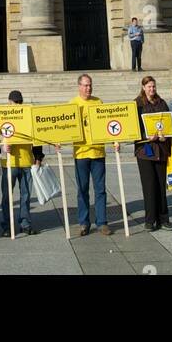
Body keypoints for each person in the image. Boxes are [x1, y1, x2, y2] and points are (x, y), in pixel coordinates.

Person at [66, 74, 111, 236]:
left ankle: (102, 222)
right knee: (82, 190)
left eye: (90, 85)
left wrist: (114, 140)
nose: (88, 88)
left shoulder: (98, 102)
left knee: (100, 190)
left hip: (97, 151)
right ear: (79, 86)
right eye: (85, 85)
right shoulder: (73, 104)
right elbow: (65, 126)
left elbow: (106, 123)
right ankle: (84, 223)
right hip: (81, 153)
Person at [0, 90, 43, 237]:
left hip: (25, 161)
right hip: (8, 162)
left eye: (19, 102)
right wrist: (2, 147)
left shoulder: (27, 116)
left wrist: (38, 157)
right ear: (9, 102)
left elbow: (36, 137)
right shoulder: (1, 117)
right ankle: (7, 226)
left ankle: (25, 224)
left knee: (25, 195)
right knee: (7, 197)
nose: (17, 105)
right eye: (14, 102)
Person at [134, 75, 172, 231]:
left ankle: (163, 219)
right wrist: (146, 136)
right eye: (149, 86)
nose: (152, 89)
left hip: (161, 149)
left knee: (160, 184)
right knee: (149, 185)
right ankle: (150, 220)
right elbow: (134, 128)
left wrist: (166, 134)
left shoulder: (161, 102)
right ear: (143, 87)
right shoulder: (137, 104)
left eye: (153, 86)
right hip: (145, 151)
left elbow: (167, 123)